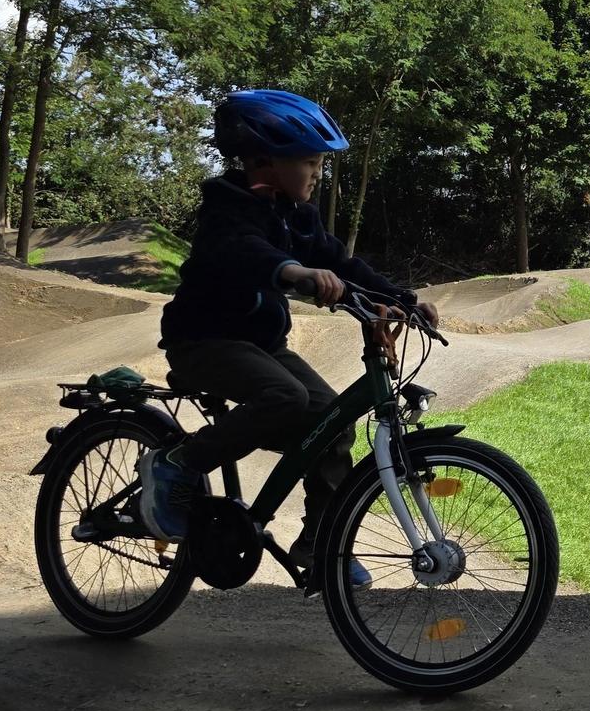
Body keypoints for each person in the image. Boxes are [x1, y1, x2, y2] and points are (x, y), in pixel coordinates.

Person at [137, 89, 439, 584]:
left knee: (334, 420)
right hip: (203, 342)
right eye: (309, 162)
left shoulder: (298, 216)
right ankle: (177, 462)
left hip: (260, 346)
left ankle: (321, 544)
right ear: (262, 160)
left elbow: (342, 262)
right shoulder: (226, 208)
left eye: (320, 163)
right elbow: (244, 251)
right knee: (285, 395)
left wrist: (400, 299)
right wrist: (291, 270)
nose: (317, 173)